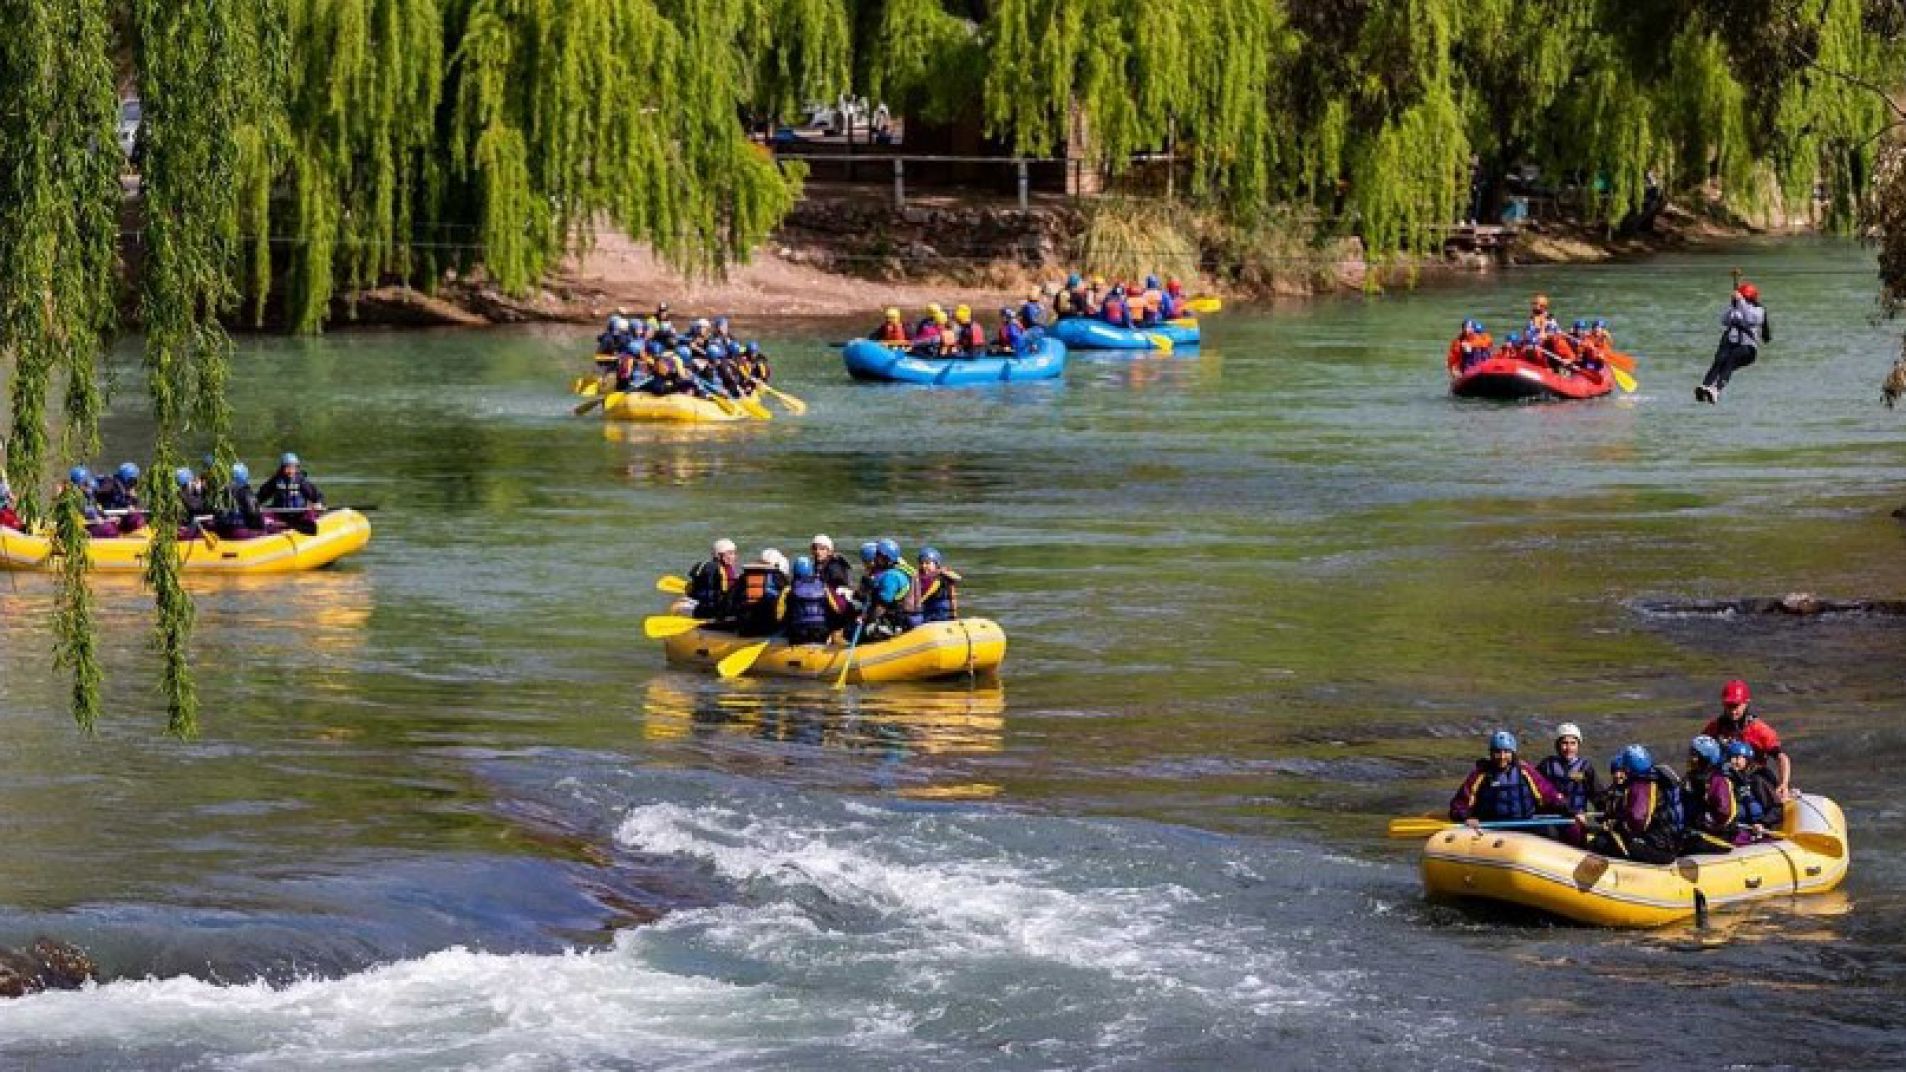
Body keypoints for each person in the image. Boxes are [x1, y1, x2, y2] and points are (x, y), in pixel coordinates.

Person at [1448, 731, 1572, 829]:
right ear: (1491, 753)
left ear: (1513, 753)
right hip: (1491, 828)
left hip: (1525, 824)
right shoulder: (1480, 774)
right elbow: (1460, 803)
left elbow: (1548, 794)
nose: (1502, 757)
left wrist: (1569, 809)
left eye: (1506, 752)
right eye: (1497, 752)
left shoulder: (1525, 771)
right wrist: (1465, 817)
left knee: (1554, 832)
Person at [1586, 745, 1684, 864]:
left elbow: (1637, 821)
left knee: (1601, 843)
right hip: (1666, 842)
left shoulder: (1640, 786)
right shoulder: (1654, 780)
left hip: (1658, 846)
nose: (1619, 775)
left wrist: (1617, 824)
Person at [1701, 679, 1791, 801]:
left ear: (1746, 703)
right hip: (1724, 781)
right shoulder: (1714, 728)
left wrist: (1783, 784)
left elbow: (1781, 758)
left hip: (1753, 783)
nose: (1732, 711)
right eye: (1729, 706)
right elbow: (1700, 753)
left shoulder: (1760, 730)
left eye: (1736, 706)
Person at [1698, 280, 1769, 404]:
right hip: (1731, 344)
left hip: (1748, 349)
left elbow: (1749, 318)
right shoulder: (1735, 308)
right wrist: (1733, 306)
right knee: (1720, 359)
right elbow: (1724, 320)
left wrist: (1741, 302)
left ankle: (1716, 390)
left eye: (1744, 298)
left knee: (1731, 358)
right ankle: (1705, 386)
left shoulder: (1758, 310)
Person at [1681, 735, 1742, 853]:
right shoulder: (1692, 778)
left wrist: (1702, 821)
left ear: (1705, 758)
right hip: (1699, 831)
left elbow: (1724, 813)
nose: (1691, 758)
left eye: (1694, 755)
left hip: (1718, 837)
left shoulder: (1717, 780)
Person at [1534, 723, 1599, 819]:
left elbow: (1597, 795)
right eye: (1564, 743)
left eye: (1573, 743)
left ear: (1578, 745)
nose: (1569, 748)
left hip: (1576, 817)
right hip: (1550, 818)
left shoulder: (1586, 768)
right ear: (1557, 745)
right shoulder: (1546, 765)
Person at [860, 537, 921, 639]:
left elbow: (882, 606)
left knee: (866, 629)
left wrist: (866, 619)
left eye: (878, 556)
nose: (875, 559)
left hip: (896, 621)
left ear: (886, 559)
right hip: (905, 617)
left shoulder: (891, 577)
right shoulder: (900, 571)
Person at [784, 556, 851, 644]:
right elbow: (838, 609)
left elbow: (779, 615)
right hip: (821, 631)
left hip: (798, 632)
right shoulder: (824, 587)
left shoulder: (788, 589)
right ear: (811, 571)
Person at [1722, 739, 1784, 831]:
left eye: (1737, 757)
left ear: (1746, 760)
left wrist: (1763, 823)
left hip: (1760, 829)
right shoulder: (1726, 782)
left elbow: (1776, 808)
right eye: (1730, 757)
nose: (1732, 761)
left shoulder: (1757, 780)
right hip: (1737, 829)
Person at [260, 452, 324, 533]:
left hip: (299, 515)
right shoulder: (275, 481)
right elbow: (261, 495)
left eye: (293, 468)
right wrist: (254, 505)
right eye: (288, 467)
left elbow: (316, 495)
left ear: (297, 468)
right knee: (260, 516)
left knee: (311, 513)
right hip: (280, 515)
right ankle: (272, 529)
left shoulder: (301, 481)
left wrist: (318, 503)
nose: (290, 471)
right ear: (282, 468)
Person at [732, 549, 789, 636]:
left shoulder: (744, 576)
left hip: (744, 627)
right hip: (768, 628)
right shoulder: (779, 577)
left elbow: (732, 599)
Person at [686, 538, 740, 619]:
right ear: (719, 556)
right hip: (713, 611)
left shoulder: (704, 565)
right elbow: (723, 593)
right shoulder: (719, 569)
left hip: (703, 606)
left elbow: (693, 588)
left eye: (734, 553)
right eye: (730, 553)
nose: (734, 556)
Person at [216, 461, 266, 537]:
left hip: (223, 529)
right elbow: (254, 514)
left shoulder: (223, 491)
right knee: (267, 530)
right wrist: (262, 529)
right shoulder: (247, 493)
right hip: (238, 531)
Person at [95, 462, 145, 532]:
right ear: (128, 479)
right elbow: (94, 498)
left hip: (118, 519)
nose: (134, 484)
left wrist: (132, 501)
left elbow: (125, 503)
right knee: (111, 529)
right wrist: (105, 517)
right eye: (134, 481)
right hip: (105, 519)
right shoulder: (109, 484)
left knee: (138, 518)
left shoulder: (126, 489)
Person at [915, 547, 961, 622]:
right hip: (926, 610)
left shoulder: (943, 576)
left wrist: (954, 615)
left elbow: (957, 578)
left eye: (927, 563)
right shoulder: (918, 576)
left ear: (936, 564)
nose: (923, 566)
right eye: (921, 563)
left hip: (941, 612)